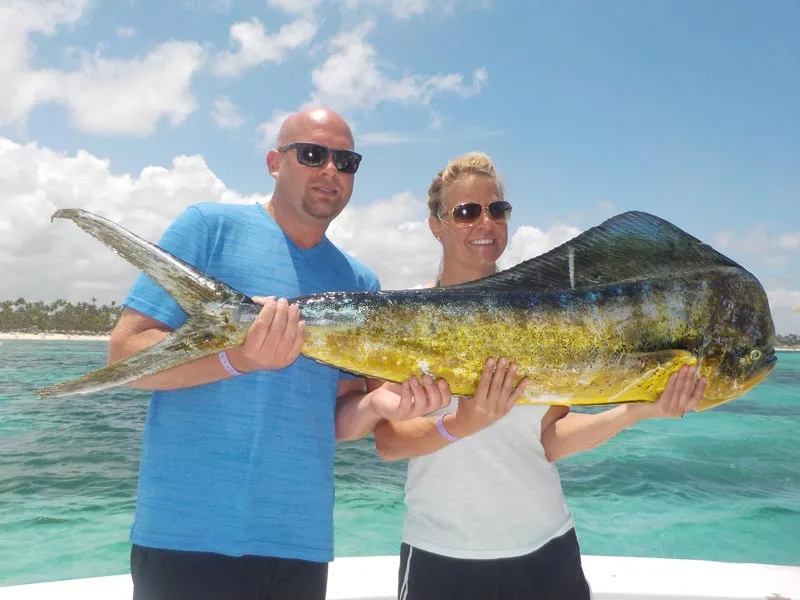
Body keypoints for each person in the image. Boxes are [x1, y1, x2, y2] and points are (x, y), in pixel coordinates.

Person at [108, 107, 454, 600]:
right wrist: (238, 358)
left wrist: (378, 407)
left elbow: (336, 418)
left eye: (346, 161)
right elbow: (125, 356)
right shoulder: (209, 228)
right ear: (275, 162)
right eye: (313, 155)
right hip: (185, 537)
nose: (330, 170)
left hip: (300, 545)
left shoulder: (358, 284)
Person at [372, 151, 708, 600]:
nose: (485, 223)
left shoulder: (542, 314)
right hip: (443, 555)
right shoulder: (404, 319)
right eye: (467, 212)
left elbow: (550, 437)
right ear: (437, 225)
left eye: (497, 210)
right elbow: (388, 441)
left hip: (547, 551)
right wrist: (462, 424)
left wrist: (637, 410)